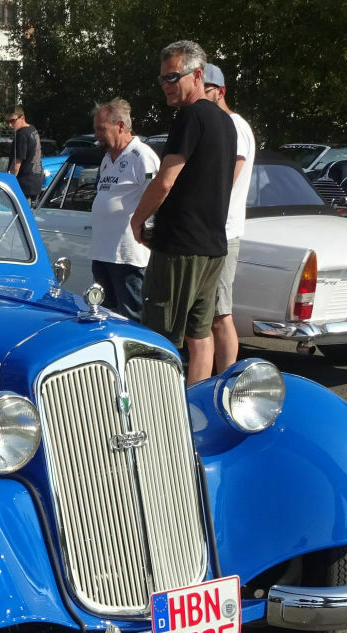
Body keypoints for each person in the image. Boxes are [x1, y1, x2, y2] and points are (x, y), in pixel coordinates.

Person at [128, 40, 236, 386]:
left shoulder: (190, 117)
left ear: (197, 75)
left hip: (180, 249)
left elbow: (165, 180)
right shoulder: (226, 122)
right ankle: (195, 406)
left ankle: (159, 413)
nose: (166, 86)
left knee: (160, 339)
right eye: (162, 79)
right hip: (212, 246)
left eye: (173, 77)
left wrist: (137, 219)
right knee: (199, 334)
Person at [87, 98, 159, 322]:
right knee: (103, 313)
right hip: (102, 252)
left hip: (127, 255)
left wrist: (144, 228)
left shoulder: (141, 155)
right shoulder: (107, 158)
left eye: (101, 129)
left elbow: (157, 195)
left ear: (120, 126)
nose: (97, 134)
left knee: (132, 315)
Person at [205, 63, 251, 374]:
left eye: (205, 91)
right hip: (210, 230)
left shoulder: (234, 125)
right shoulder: (218, 125)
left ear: (220, 92)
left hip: (224, 232)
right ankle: (209, 380)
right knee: (206, 314)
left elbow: (227, 178)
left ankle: (228, 381)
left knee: (221, 314)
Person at [5, 106, 44, 201]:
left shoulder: (21, 135)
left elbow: (17, 164)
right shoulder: (32, 129)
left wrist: (7, 183)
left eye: (12, 121)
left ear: (22, 118)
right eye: (7, 122)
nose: (10, 125)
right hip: (36, 183)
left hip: (23, 186)